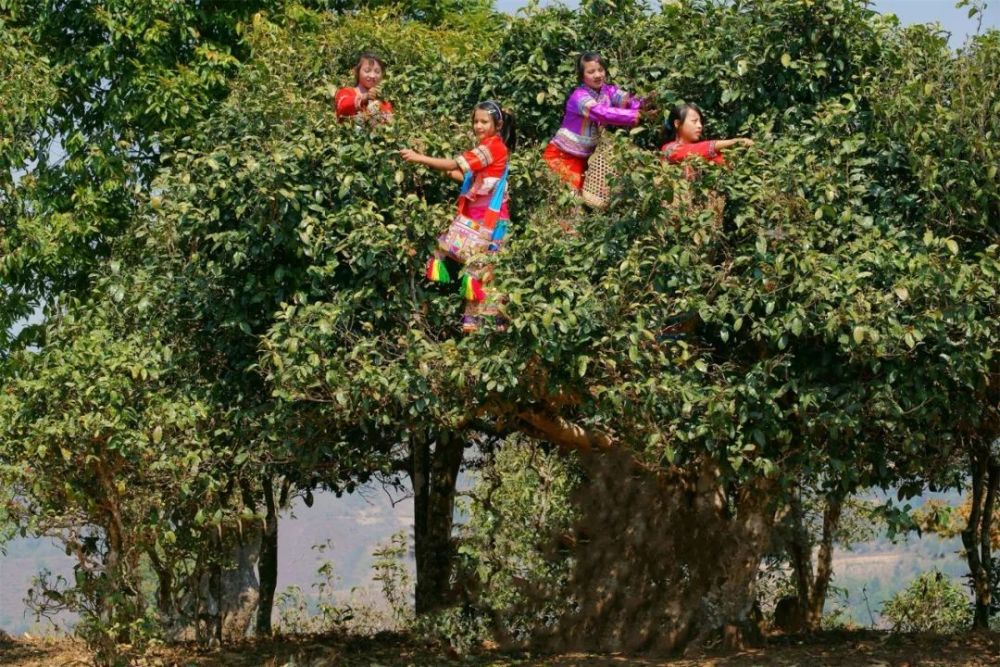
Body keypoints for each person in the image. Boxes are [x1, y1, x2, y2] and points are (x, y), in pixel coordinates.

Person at [399, 101, 516, 333]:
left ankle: (485, 323)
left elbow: (455, 164)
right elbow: (469, 179)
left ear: (498, 124)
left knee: (481, 269)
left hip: (487, 221)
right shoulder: (489, 147)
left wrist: (419, 157)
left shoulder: (492, 147)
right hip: (479, 216)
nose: (479, 126)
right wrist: (441, 169)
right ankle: (475, 323)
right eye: (476, 121)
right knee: (479, 268)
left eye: (484, 121)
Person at [543, 52, 652, 191]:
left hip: (585, 158)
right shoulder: (579, 97)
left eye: (600, 70)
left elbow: (627, 100)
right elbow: (601, 113)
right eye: (591, 72)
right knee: (569, 200)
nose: (598, 75)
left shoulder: (608, 90)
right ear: (582, 75)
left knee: (583, 201)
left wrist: (645, 104)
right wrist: (635, 115)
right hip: (562, 156)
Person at [661, 102, 752, 176]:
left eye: (700, 122)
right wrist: (734, 142)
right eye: (694, 121)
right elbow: (696, 149)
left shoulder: (705, 153)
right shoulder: (668, 149)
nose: (700, 126)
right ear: (677, 123)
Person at [334, 51, 393, 122]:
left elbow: (388, 127)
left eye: (377, 72)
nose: (372, 76)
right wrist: (363, 98)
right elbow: (342, 107)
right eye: (367, 71)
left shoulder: (384, 103)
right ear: (357, 72)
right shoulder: (346, 92)